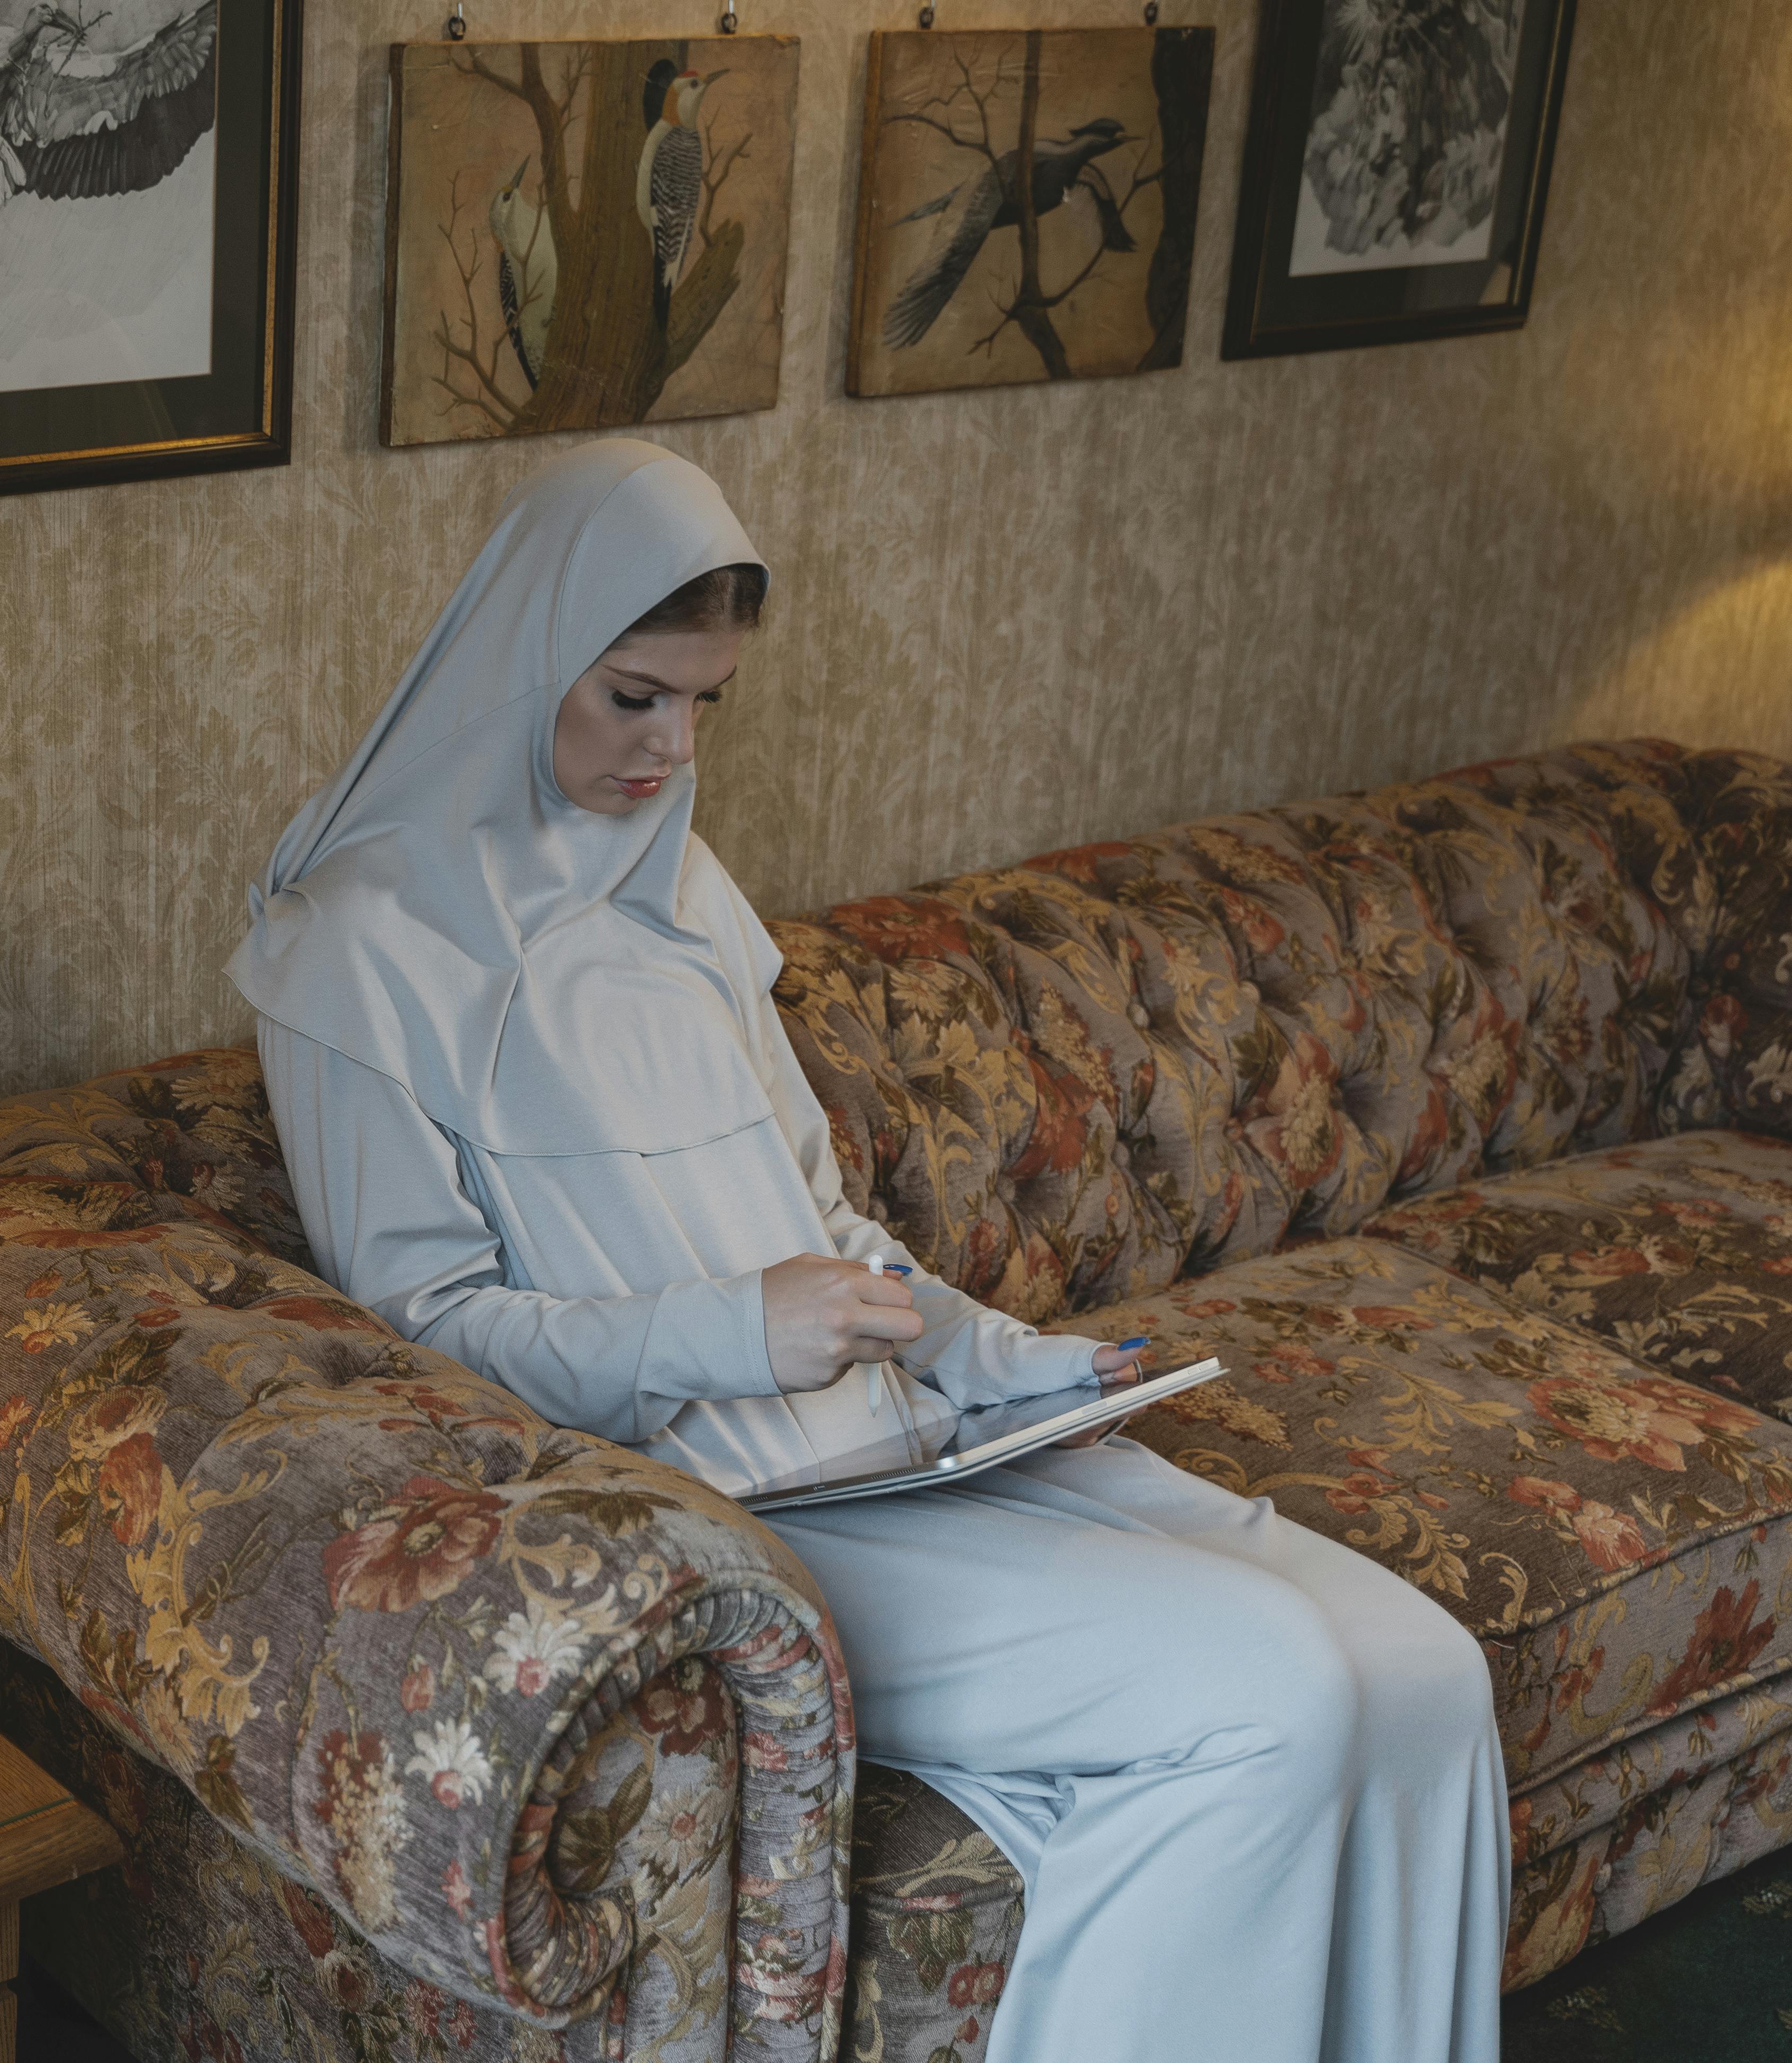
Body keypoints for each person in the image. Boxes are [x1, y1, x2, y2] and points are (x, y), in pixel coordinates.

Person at [227, 439, 1505, 2063]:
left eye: (704, 706)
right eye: (630, 695)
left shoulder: (682, 891)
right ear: (524, 652)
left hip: (903, 1452)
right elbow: (422, 1330)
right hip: (731, 1526)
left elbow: (824, 1230)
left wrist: (1005, 1363)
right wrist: (726, 1333)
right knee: (1278, 1693)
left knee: (1422, 1667)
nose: (668, 748)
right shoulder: (349, 948)